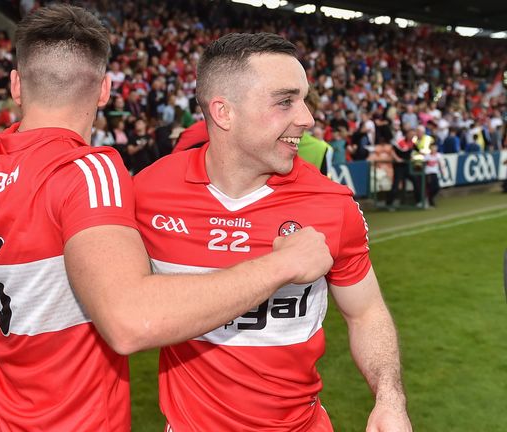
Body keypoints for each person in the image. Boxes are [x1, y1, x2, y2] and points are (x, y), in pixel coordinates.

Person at [0, 5, 332, 430]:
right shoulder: (89, 172)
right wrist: (280, 265)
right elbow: (129, 320)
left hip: (0, 413)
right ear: (106, 89)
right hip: (75, 417)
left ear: (14, 85)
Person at [134, 32, 411, 432]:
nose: (307, 118)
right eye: (285, 101)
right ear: (224, 112)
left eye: (304, 99)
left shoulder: (330, 204)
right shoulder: (148, 192)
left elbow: (366, 312)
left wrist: (389, 399)